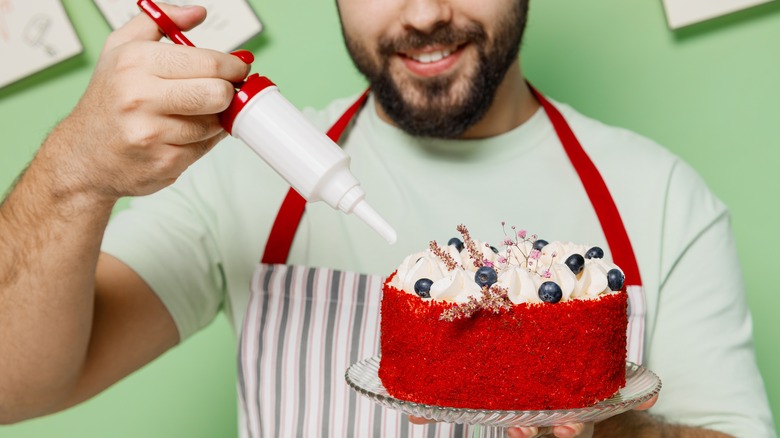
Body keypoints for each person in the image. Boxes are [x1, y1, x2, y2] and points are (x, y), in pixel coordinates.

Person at [0, 1, 774, 437]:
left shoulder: (663, 198)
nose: (426, 13)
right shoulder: (245, 176)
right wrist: (75, 172)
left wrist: (622, 436)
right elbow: (14, 386)